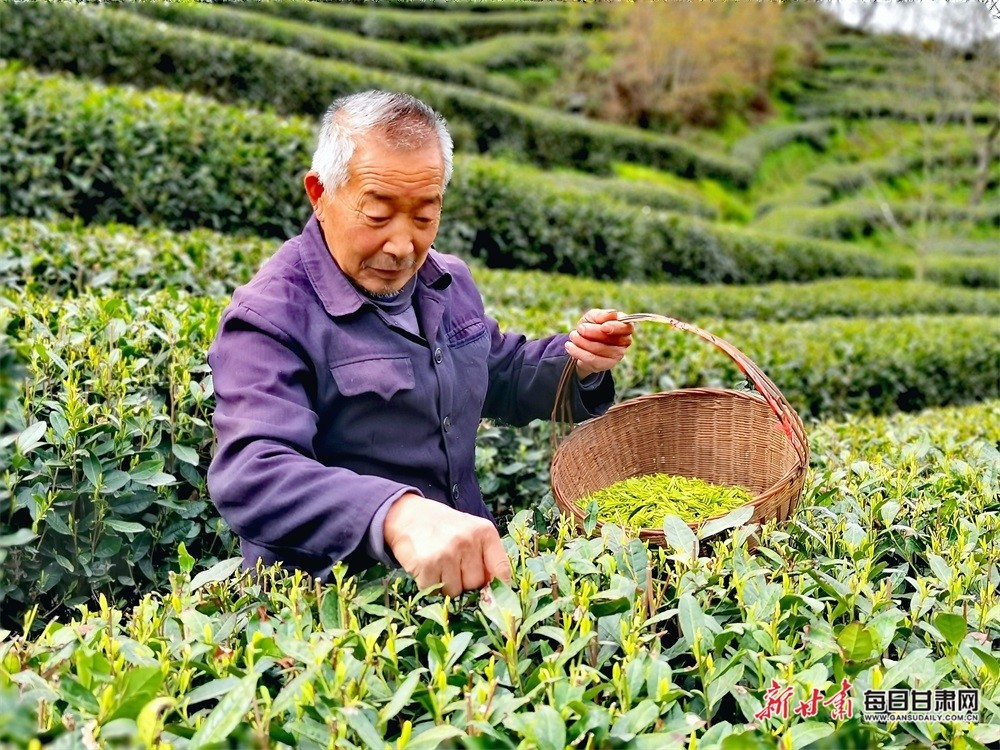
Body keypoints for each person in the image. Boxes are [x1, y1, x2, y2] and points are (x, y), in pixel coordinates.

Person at [207, 90, 634, 597]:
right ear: (320, 194)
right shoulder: (272, 314)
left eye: (424, 218)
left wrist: (577, 361)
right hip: (343, 612)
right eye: (377, 215)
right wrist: (395, 515)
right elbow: (253, 472)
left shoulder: (445, 280)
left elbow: (497, 372)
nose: (402, 245)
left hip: (463, 583)